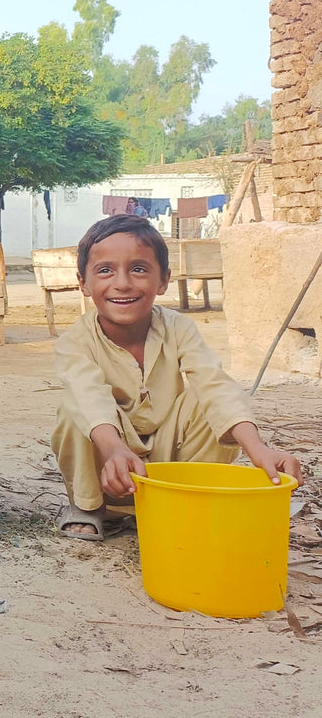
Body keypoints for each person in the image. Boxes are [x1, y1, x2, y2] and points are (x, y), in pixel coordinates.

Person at [51, 214, 302, 540]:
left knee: (207, 403)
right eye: (105, 270)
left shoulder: (178, 328)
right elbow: (89, 395)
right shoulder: (75, 341)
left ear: (163, 280)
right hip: (110, 472)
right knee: (74, 409)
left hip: (168, 463)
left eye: (139, 269)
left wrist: (257, 448)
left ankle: (182, 497)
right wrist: (113, 449)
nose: (123, 282)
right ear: (83, 283)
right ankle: (88, 508)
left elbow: (213, 383)